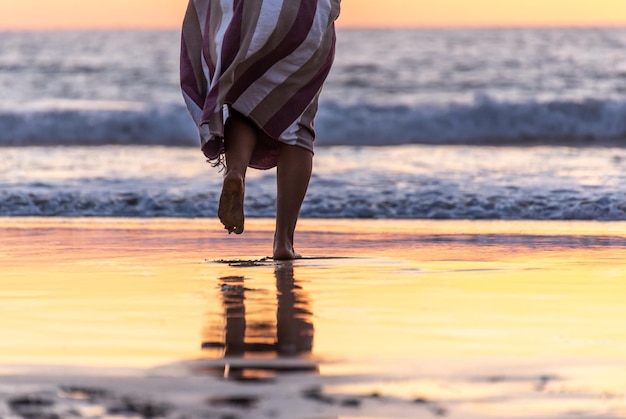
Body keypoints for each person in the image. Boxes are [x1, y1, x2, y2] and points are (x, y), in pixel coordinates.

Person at [181, 0, 340, 260]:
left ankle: (236, 172)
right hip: (305, 16)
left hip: (250, 13)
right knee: (296, 124)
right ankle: (283, 242)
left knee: (244, 105)